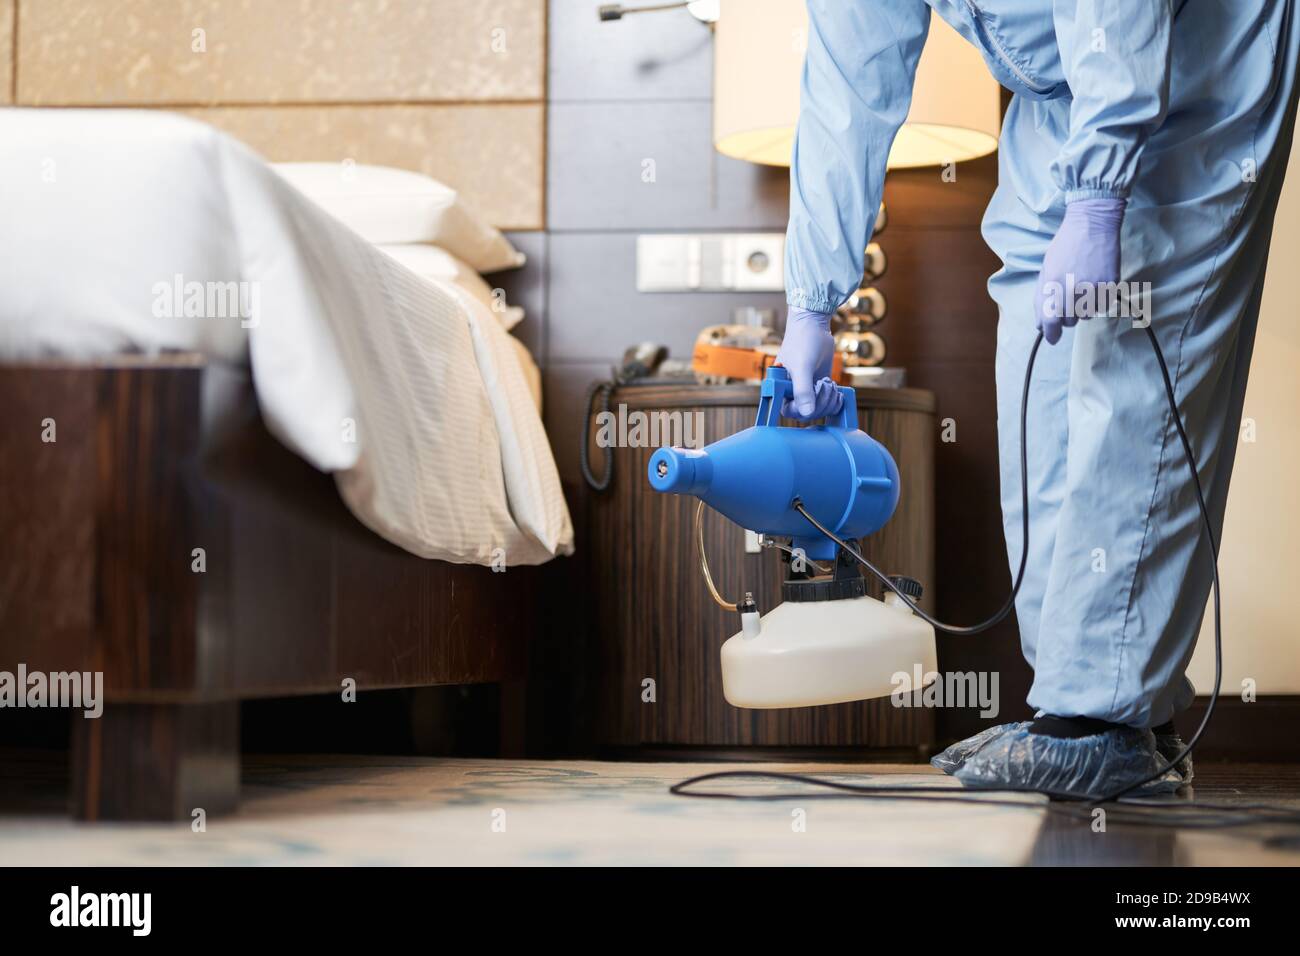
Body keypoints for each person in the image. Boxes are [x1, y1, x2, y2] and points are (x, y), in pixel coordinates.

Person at [778, 0, 1300, 797]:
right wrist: (811, 304)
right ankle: (1101, 708)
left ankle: (1098, 721)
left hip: (1195, 46)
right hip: (1054, 95)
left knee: (1132, 357)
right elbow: (849, 83)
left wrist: (1099, 196)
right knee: (1038, 370)